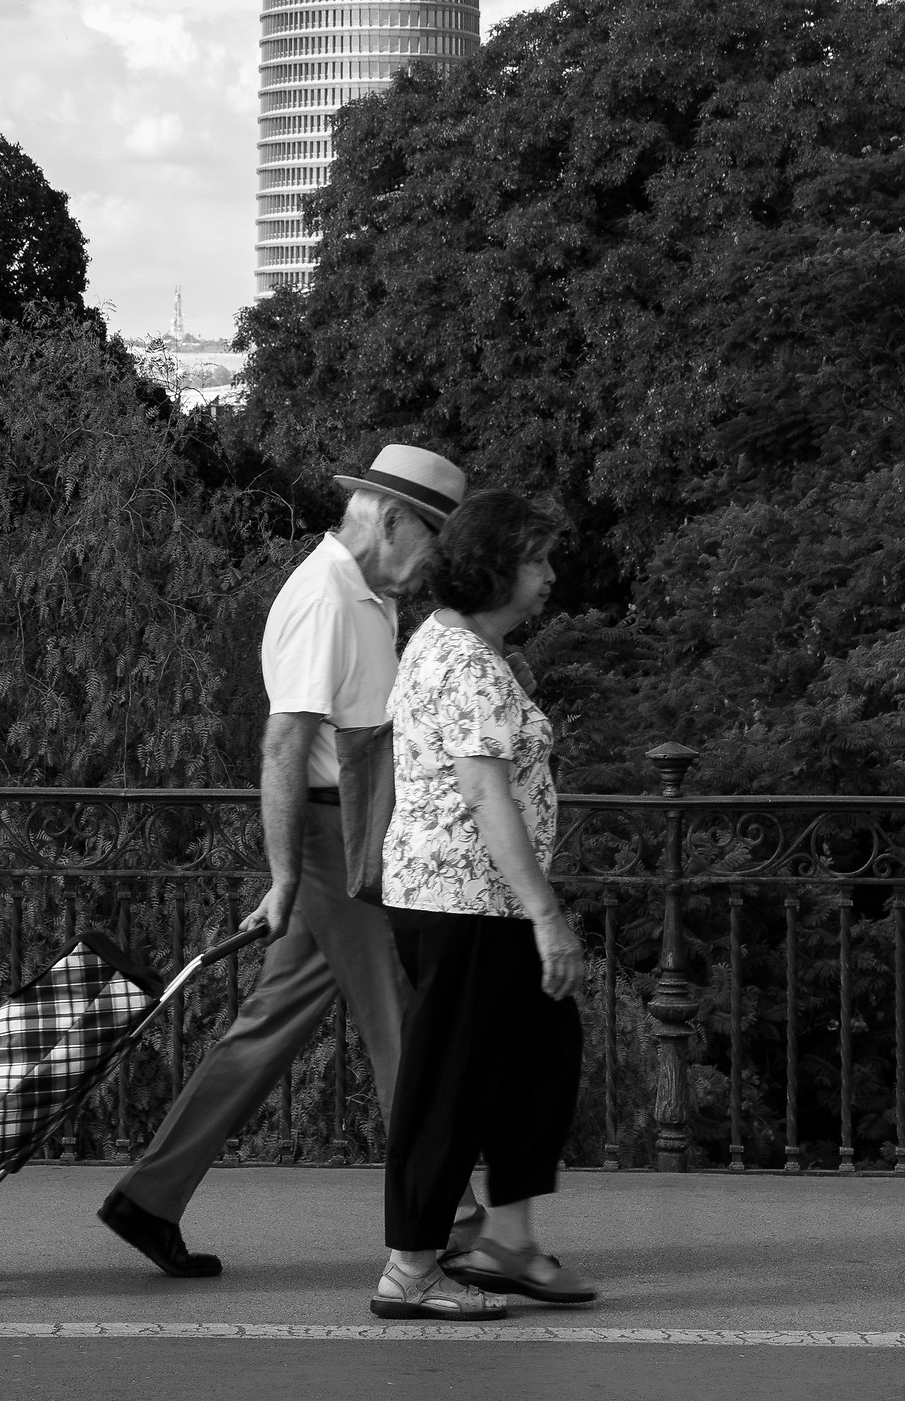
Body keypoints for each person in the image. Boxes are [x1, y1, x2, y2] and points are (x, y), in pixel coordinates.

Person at [98, 442, 467, 1278]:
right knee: (400, 1031)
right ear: (392, 518)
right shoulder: (328, 600)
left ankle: (148, 1198)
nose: (435, 564)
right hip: (334, 843)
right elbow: (282, 744)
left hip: (352, 835)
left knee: (266, 1029)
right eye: (433, 540)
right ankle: (455, 1226)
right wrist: (289, 875)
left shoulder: (364, 596)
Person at [371, 488, 594, 1321]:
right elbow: (484, 794)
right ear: (495, 567)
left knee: (540, 1057)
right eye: (535, 560)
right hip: (467, 904)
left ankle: (507, 1240)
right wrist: (546, 914)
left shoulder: (457, 646)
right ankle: (410, 1268)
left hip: (470, 901)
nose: (548, 578)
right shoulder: (464, 662)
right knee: (452, 1085)